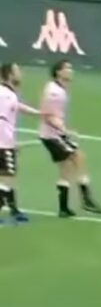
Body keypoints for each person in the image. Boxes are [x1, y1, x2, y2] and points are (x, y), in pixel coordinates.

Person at [38, 60, 101, 218]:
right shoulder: (54, 92)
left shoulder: (58, 89)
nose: (71, 70)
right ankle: (86, 200)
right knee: (78, 157)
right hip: (53, 135)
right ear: (58, 72)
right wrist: (65, 130)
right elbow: (46, 116)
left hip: (55, 134)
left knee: (66, 168)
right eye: (67, 68)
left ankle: (63, 208)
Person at [0, 63, 39, 224]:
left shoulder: (8, 93)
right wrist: (10, 142)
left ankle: (14, 209)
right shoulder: (6, 95)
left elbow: (17, 107)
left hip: (5, 143)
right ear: (10, 75)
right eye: (17, 71)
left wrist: (39, 113)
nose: (20, 74)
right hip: (3, 144)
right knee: (7, 178)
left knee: (8, 177)